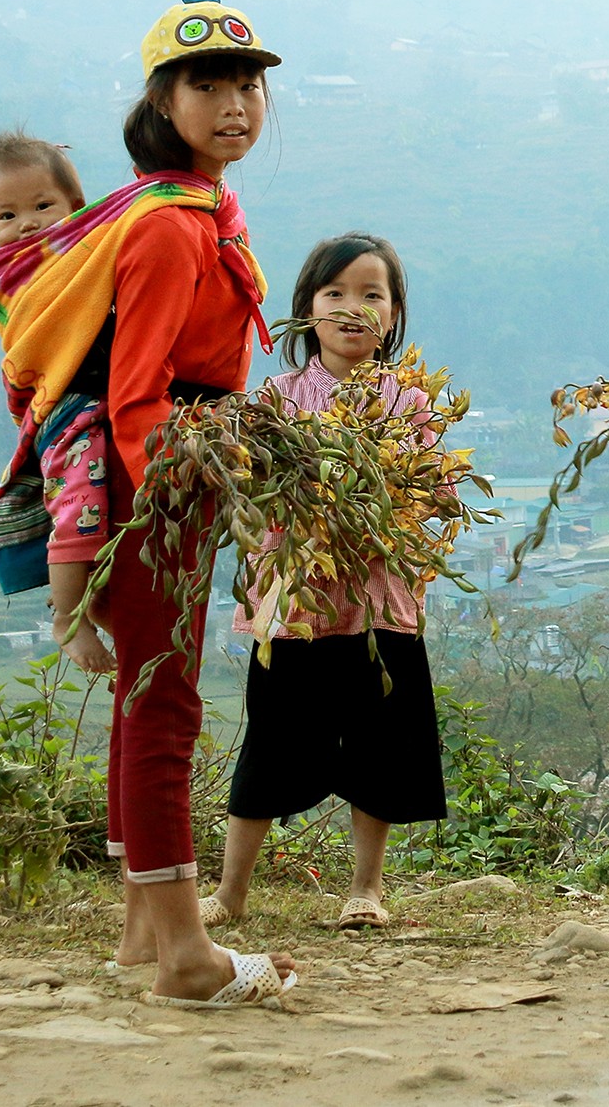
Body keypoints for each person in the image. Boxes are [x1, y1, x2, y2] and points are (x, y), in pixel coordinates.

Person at [0, 0, 293, 1007]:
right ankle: (188, 954)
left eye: (246, 83)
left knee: (151, 700)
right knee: (162, 704)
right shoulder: (164, 227)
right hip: (161, 476)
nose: (233, 102)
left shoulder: (205, 208)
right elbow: (137, 391)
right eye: (207, 84)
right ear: (162, 99)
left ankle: (143, 936)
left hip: (183, 465)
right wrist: (190, 501)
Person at [200, 232, 449, 935]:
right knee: (271, 745)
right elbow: (253, 494)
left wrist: (379, 510)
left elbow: (430, 496)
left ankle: (366, 889)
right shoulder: (275, 401)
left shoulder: (410, 405)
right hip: (296, 611)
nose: (353, 308)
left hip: (379, 610)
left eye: (372, 294)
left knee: (378, 749)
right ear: (306, 309)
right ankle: (230, 893)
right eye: (335, 293)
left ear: (394, 315)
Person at [0, 133, 114, 674]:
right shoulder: (6, 277)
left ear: (79, 205)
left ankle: (97, 601)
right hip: (68, 410)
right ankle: (68, 615)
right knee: (81, 505)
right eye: (7, 215)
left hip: (119, 400)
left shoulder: (100, 248)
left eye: (43, 205)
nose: (27, 224)